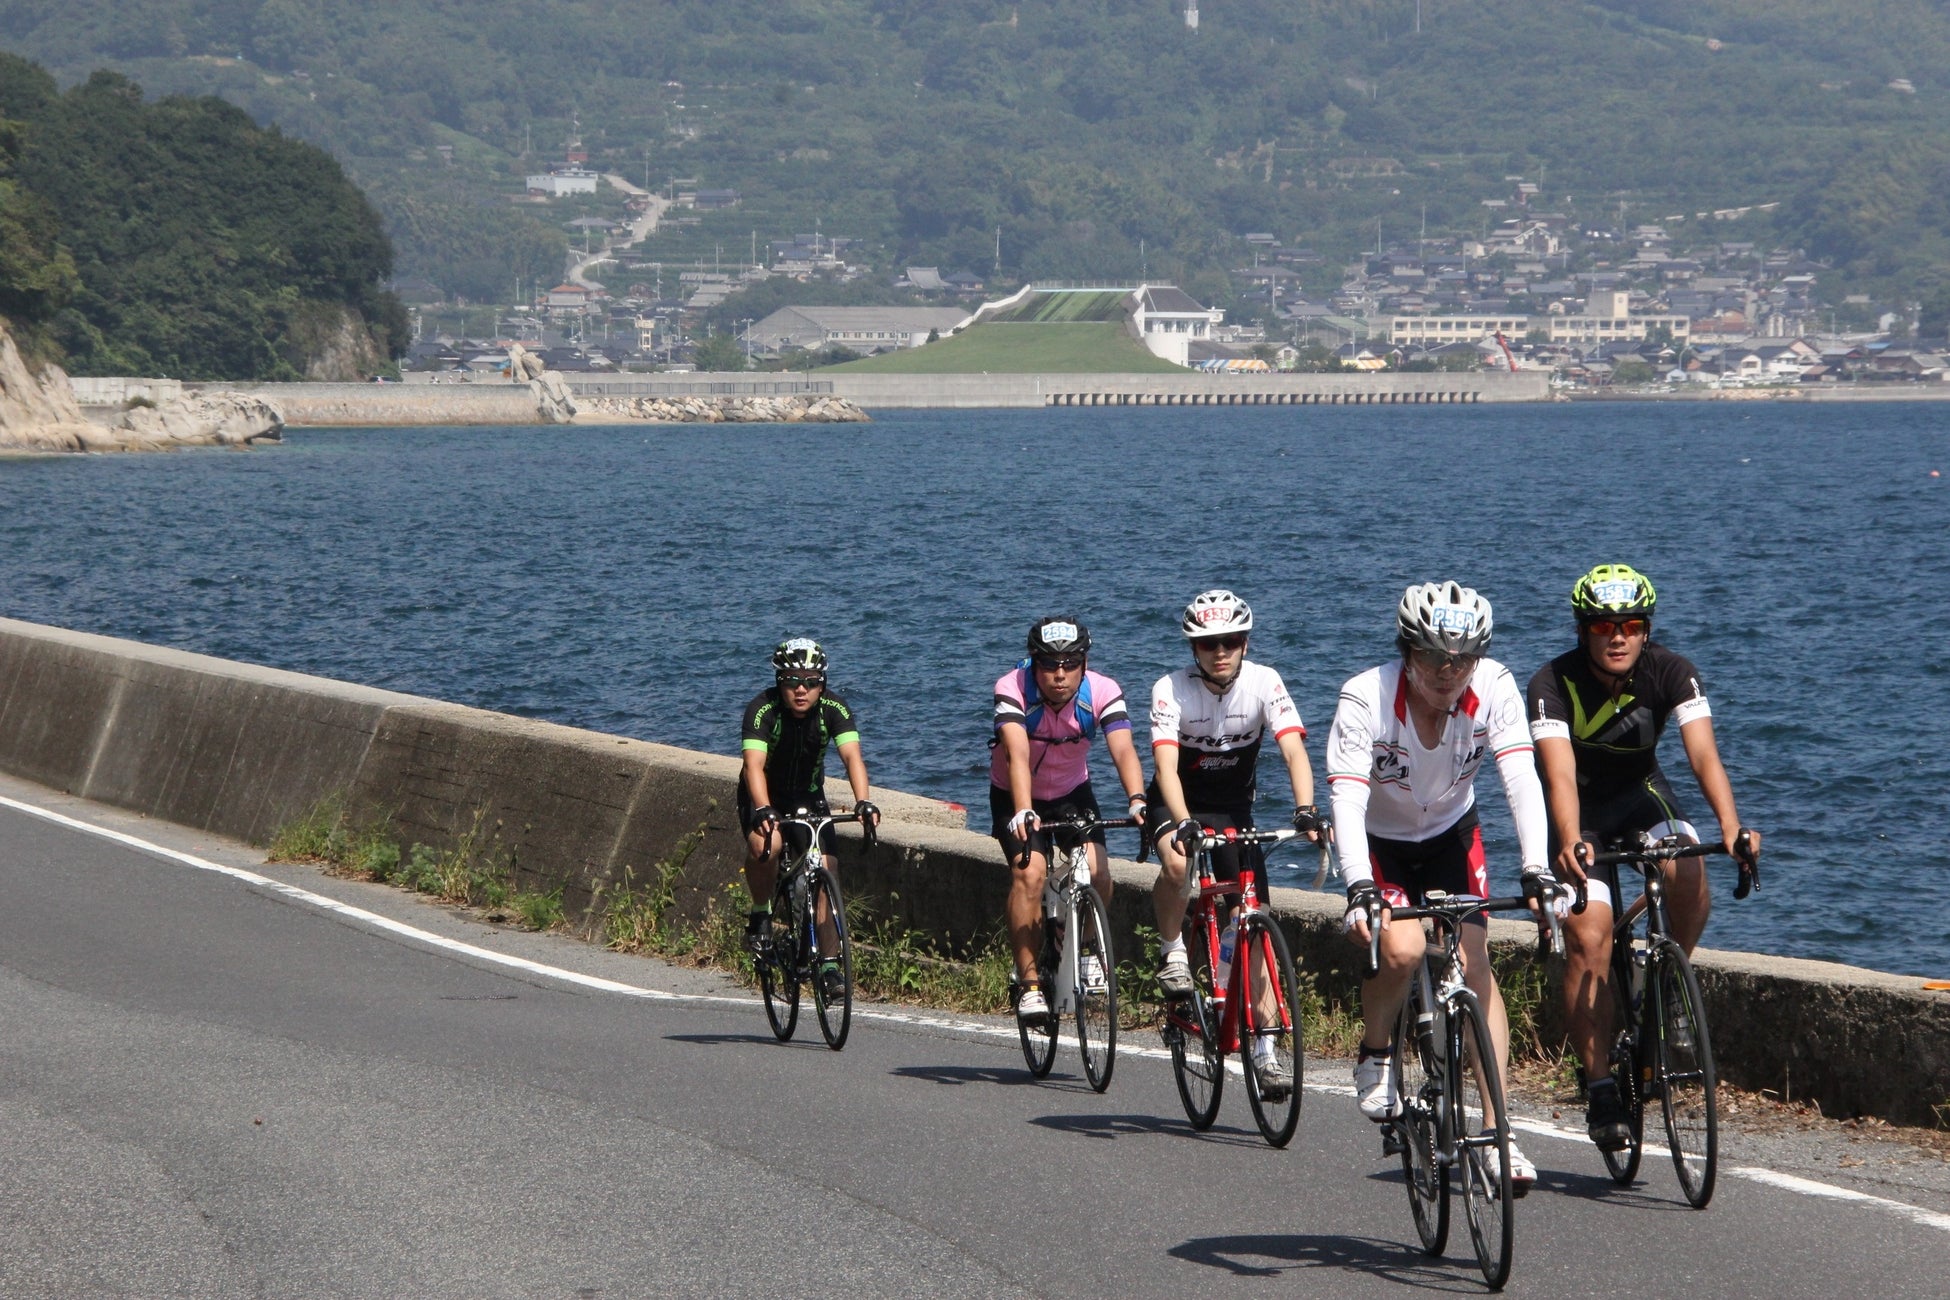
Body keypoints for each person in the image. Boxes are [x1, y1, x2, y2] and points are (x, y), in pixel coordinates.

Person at [1328, 581, 1570, 1196]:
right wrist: (1359, 886)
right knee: (1404, 950)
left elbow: (1521, 778)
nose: (1447, 671)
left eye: (1462, 659)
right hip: (1379, 844)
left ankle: (1499, 1132)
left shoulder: (1494, 687)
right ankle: (1378, 1051)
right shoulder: (1366, 697)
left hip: (1451, 834)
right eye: (1433, 655)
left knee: (1477, 962)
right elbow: (1348, 799)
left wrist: (1537, 868)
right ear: (1406, 651)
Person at [1527, 563, 1762, 1153]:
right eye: (1604, 625)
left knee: (1687, 862)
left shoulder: (1672, 672)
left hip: (1642, 794)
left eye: (1631, 625)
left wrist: (1732, 829)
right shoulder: (1552, 682)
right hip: (1578, 811)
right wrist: (1569, 836)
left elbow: (1703, 755)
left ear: (1646, 630)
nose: (1618, 636)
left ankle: (1666, 982)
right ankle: (1601, 1082)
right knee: (1589, 936)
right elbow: (1556, 773)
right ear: (1584, 630)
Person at [1147, 589, 1319, 1098]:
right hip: (1176, 802)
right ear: (1193, 649)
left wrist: (1305, 809)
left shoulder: (1265, 682)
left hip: (1233, 809)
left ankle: (1264, 1051)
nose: (1220, 651)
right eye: (1208, 644)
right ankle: (1173, 950)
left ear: (1245, 643)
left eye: (1231, 641)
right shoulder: (1170, 688)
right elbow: (1164, 769)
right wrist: (1182, 823)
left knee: (1253, 921)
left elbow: (1293, 751)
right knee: (1179, 866)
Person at [990, 616, 1149, 1024]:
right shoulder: (1012, 688)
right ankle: (1028, 986)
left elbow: (1123, 750)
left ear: (1084, 661)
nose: (1059, 675)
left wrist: (1137, 800)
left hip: (1071, 792)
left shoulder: (1103, 690)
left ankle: (1083, 948)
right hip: (1014, 794)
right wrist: (1024, 810)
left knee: (1098, 874)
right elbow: (1017, 755)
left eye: (1070, 663)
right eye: (1048, 664)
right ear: (1033, 663)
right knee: (1030, 874)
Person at [739, 638, 880, 1000]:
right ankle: (760, 914)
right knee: (765, 847)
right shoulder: (762, 709)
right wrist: (763, 807)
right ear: (779, 682)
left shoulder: (834, 708)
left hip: (808, 795)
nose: (801, 689)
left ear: (822, 683)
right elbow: (753, 764)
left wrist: (863, 800)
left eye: (811, 681)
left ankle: (830, 967)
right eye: (791, 681)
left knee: (829, 868)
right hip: (764, 793)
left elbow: (852, 757)